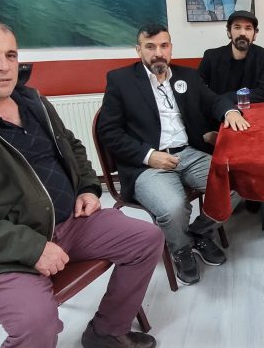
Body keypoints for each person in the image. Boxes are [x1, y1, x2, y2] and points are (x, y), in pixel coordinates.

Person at [0, 19, 163, 348]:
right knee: (37, 323)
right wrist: (32, 248)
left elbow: (71, 145)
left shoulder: (32, 102)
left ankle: (106, 332)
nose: (4, 66)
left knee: (147, 238)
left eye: (11, 55)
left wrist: (88, 188)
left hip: (68, 223)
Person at [96, 24, 250, 286]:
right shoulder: (120, 80)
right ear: (138, 50)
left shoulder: (186, 76)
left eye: (164, 46)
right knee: (173, 207)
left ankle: (199, 232)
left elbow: (213, 100)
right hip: (148, 165)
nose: (158, 52)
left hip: (188, 153)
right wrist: (148, 155)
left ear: (171, 48)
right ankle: (181, 249)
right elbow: (108, 131)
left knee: (239, 182)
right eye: (150, 46)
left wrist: (230, 111)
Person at [198, 10, 264, 104]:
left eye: (248, 28)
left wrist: (225, 98)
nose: (242, 33)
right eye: (237, 27)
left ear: (255, 34)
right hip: (219, 110)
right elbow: (197, 88)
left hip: (251, 110)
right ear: (229, 32)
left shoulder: (263, 57)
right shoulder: (211, 57)